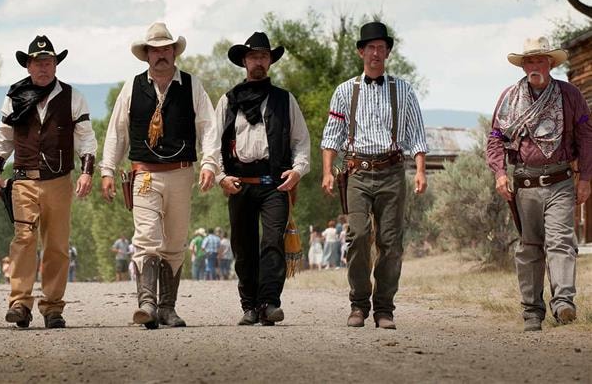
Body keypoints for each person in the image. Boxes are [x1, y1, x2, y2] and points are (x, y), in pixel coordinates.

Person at [100, 22, 219, 329]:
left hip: (181, 173)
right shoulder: (132, 87)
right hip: (144, 175)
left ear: (174, 52)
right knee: (147, 238)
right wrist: (108, 170)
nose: (161, 55)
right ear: (147, 55)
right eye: (155, 50)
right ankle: (147, 304)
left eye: (166, 49)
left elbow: (208, 126)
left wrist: (210, 163)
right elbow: (117, 131)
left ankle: (167, 307)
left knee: (176, 241)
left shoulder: (192, 85)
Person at [321, 22, 428, 330]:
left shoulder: (403, 89)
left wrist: (420, 170)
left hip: (393, 171)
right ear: (361, 52)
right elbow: (332, 135)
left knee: (390, 242)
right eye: (371, 48)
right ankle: (358, 304)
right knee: (356, 236)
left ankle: (384, 308)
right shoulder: (344, 91)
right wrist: (328, 171)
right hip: (357, 172)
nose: (376, 53)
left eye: (382, 48)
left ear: (388, 53)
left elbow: (417, 134)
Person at [0, 35, 97, 329]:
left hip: (59, 181)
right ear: (28, 66)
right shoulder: (14, 97)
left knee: (57, 246)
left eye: (48, 62)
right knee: (23, 240)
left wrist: (87, 171)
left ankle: (52, 308)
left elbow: (86, 137)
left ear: (55, 65)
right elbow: (4, 137)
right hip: (23, 180)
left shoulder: (73, 97)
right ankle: (20, 303)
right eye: (37, 63)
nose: (43, 68)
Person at [486, 36, 591, 332]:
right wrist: (500, 173)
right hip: (525, 183)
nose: (534, 65)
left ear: (550, 64)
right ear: (523, 67)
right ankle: (532, 311)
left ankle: (563, 303)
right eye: (529, 61)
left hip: (560, 180)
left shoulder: (570, 95)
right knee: (530, 247)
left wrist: (585, 178)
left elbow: (586, 135)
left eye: (540, 60)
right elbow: (494, 139)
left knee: (561, 242)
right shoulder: (509, 98)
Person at [215, 31, 311, 326]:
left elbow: (301, 141)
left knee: (272, 244)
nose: (259, 61)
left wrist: (297, 171)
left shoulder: (284, 100)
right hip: (240, 183)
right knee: (243, 247)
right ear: (244, 61)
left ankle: (270, 303)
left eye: (264, 56)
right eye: (254, 56)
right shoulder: (228, 100)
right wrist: (220, 176)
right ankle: (249, 306)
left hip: (274, 184)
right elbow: (212, 142)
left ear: (270, 61)